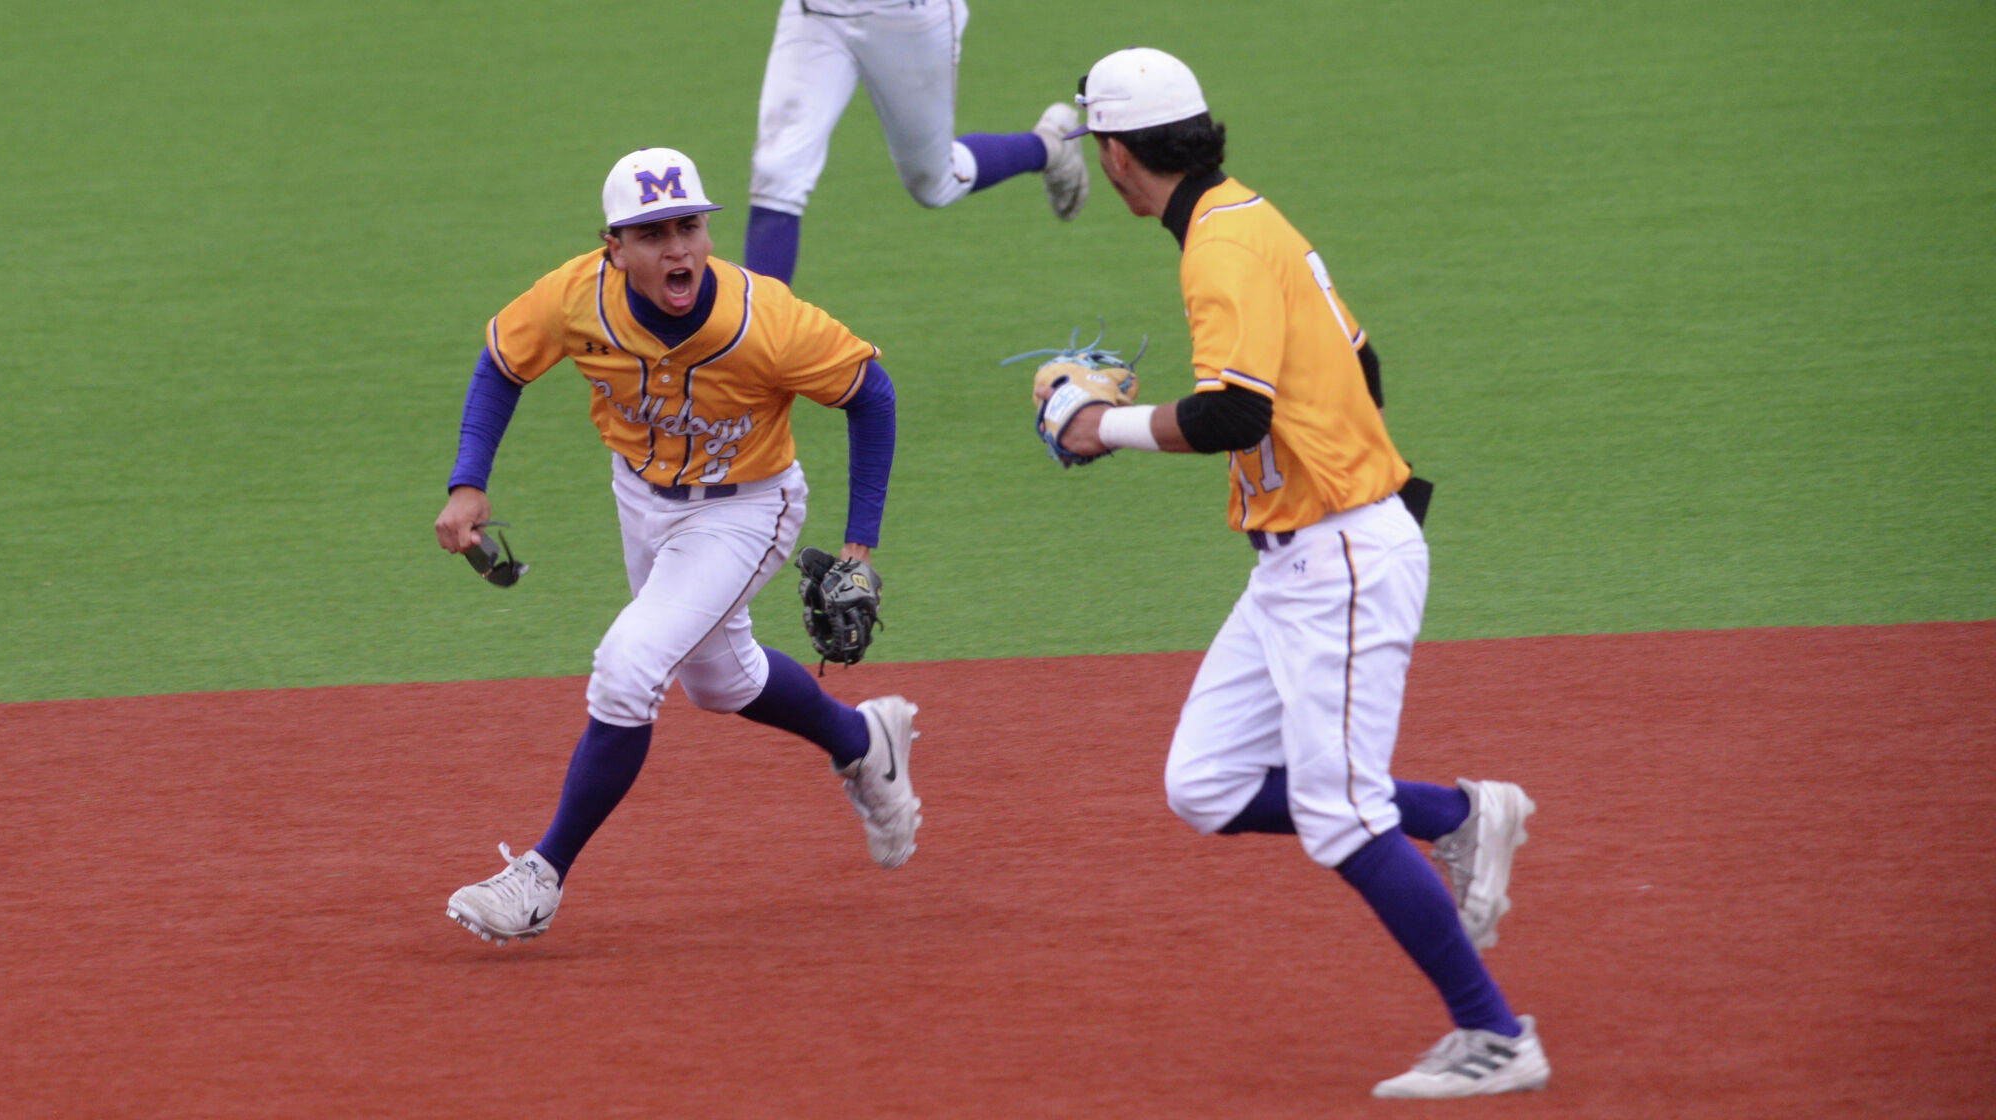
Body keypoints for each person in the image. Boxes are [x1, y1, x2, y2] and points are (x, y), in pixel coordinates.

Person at [1036, 48, 1548, 1099]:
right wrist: (1342, 469)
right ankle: (1454, 816)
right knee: (1205, 784)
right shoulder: (1254, 219)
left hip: (1341, 559)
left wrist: (1097, 426)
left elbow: (1235, 414)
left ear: (1121, 154)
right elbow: (1359, 363)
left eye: (1099, 145)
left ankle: (1494, 1032)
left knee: (1339, 814)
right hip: (1300, 553)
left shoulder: (1216, 251)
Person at [434, 146, 922, 947]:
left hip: (747, 508)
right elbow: (501, 363)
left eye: (690, 226)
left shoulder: (766, 320)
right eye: (652, 233)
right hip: (641, 498)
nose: (679, 249)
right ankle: (865, 742)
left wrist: (859, 549)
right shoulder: (576, 297)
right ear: (613, 248)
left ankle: (540, 877)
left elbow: (874, 394)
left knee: (628, 667)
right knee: (722, 682)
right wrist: (468, 480)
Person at [742, 0, 1089, 285]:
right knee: (778, 171)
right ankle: (755, 346)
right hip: (815, 16)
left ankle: (1049, 146)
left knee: (935, 183)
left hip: (910, 16)